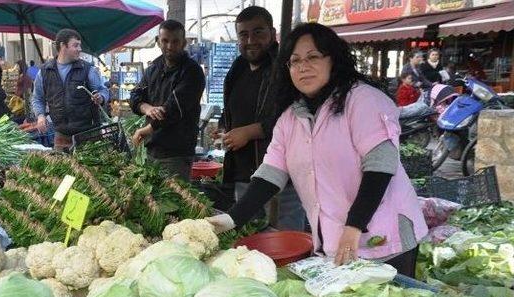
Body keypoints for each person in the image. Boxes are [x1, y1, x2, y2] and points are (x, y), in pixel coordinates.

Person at [206, 23, 427, 277]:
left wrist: (354, 226)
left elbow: (380, 166)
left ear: (333, 59)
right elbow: (270, 175)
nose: (303, 67)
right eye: (295, 61)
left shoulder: (363, 100)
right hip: (335, 241)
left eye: (313, 57)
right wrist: (231, 219)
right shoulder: (290, 118)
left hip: (386, 239)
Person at [215, 6, 305, 230]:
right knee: (250, 241)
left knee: (284, 241)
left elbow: (296, 116)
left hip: (282, 177)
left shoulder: (286, 69)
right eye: (243, 34)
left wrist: (250, 131)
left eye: (258, 32)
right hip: (244, 172)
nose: (250, 40)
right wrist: (224, 128)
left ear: (272, 33)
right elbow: (232, 111)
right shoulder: (237, 69)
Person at [129, 20, 206, 181]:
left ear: (184, 43)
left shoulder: (192, 72)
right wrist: (147, 108)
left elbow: (174, 108)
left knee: (174, 202)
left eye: (175, 41)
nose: (170, 46)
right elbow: (135, 96)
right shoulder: (153, 69)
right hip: (152, 150)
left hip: (176, 153)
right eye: (165, 41)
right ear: (158, 41)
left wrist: (146, 130)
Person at [31, 29, 109, 150]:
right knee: (63, 168)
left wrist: (101, 98)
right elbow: (37, 98)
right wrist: (40, 116)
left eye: (80, 45)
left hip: (88, 134)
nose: (80, 49)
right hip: (61, 136)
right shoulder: (44, 72)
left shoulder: (88, 69)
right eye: (75, 45)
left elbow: (103, 90)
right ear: (63, 46)